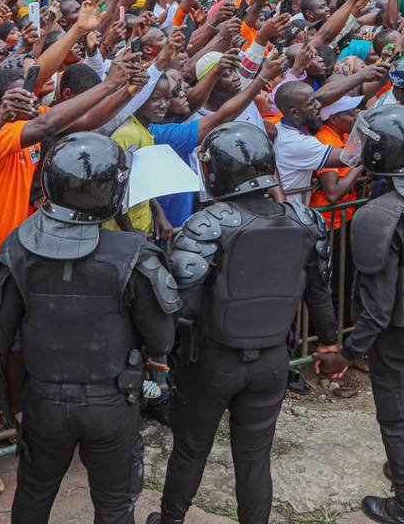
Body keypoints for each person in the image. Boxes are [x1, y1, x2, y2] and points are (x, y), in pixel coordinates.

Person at [151, 122, 340, 524]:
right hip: (272, 360)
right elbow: (319, 292)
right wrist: (328, 342)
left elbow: (182, 307)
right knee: (254, 458)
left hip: (212, 361)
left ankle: (170, 520)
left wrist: (162, 355)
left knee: (191, 448)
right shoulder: (305, 220)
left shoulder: (207, 226)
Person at [0, 133, 178, 524]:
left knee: (34, 496)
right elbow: (162, 338)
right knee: (114, 505)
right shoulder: (134, 253)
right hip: (112, 400)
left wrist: (1, 402)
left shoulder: (18, 247)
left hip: (44, 400)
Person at [316, 105, 404, 524]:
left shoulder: (377, 215)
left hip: (397, 331)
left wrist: (349, 351)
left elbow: (377, 307)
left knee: (394, 415)